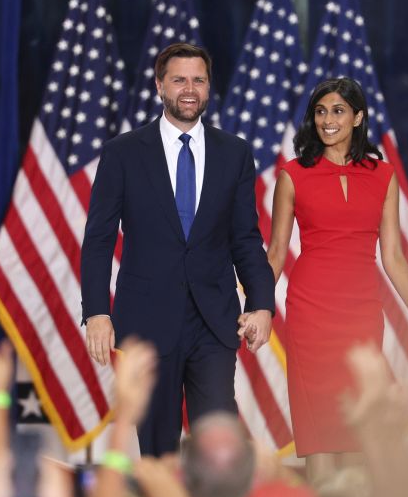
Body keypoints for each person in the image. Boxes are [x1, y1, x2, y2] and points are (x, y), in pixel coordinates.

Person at [80, 43, 275, 456]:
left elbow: (245, 237)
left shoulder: (234, 153)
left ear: (208, 87)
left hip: (213, 321)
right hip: (147, 322)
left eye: (198, 80)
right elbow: (98, 239)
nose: (190, 89)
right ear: (159, 85)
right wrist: (97, 311)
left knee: (218, 446)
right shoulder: (122, 153)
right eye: (179, 80)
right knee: (157, 449)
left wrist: (261, 304)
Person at [264, 77, 408, 485]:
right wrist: (257, 307)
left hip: (361, 312)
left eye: (338, 111)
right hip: (310, 311)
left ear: (357, 117)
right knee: (318, 429)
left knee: (360, 422)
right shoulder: (292, 175)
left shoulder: (383, 175)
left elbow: (393, 256)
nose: (328, 119)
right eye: (321, 111)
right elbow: (276, 252)